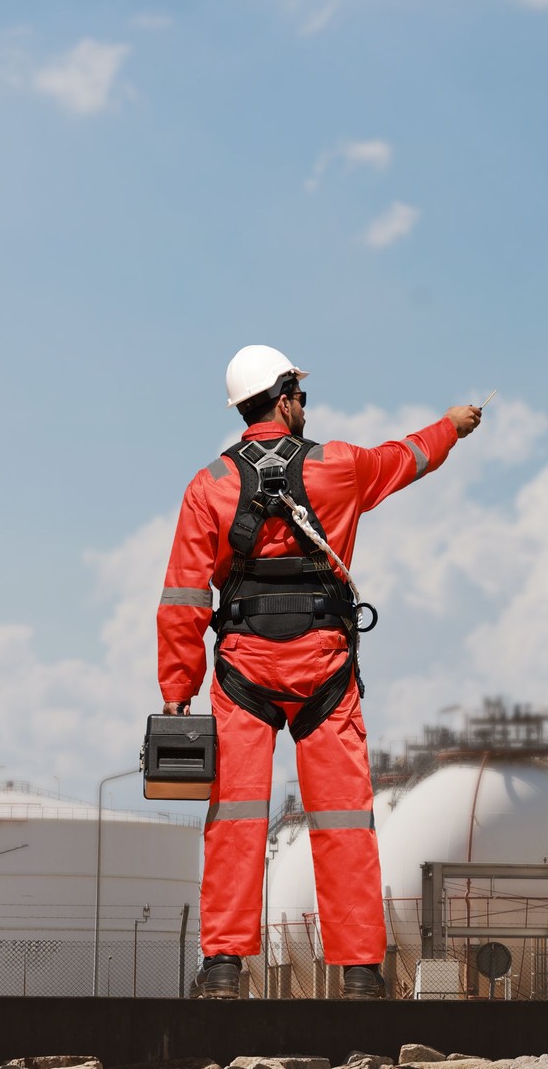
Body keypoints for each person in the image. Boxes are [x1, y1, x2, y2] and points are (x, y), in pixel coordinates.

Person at [156, 344, 482, 999]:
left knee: (236, 819)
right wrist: (455, 424)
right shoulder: (339, 467)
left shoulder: (209, 486)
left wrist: (177, 694)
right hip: (324, 670)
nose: (305, 404)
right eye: (300, 394)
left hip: (243, 671)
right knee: (342, 817)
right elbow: (408, 456)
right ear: (283, 398)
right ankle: (360, 972)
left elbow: (184, 598)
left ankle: (222, 967)